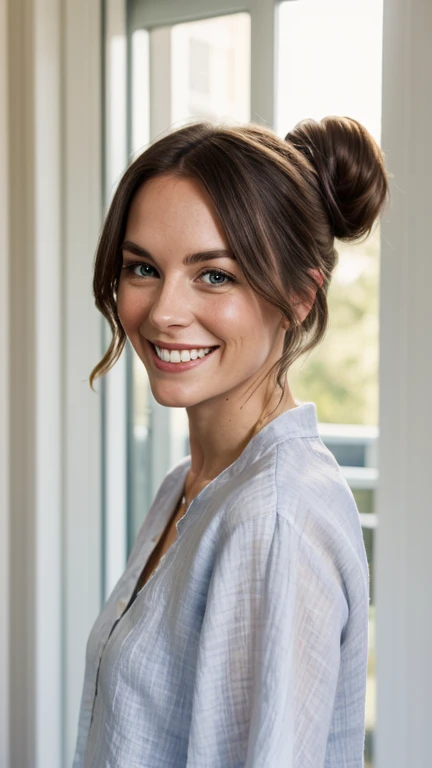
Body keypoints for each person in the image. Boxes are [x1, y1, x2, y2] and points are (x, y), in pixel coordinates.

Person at [73, 117, 388, 767]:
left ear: (300, 295)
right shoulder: (189, 486)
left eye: (214, 274)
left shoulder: (272, 517)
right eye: (142, 268)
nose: (163, 312)